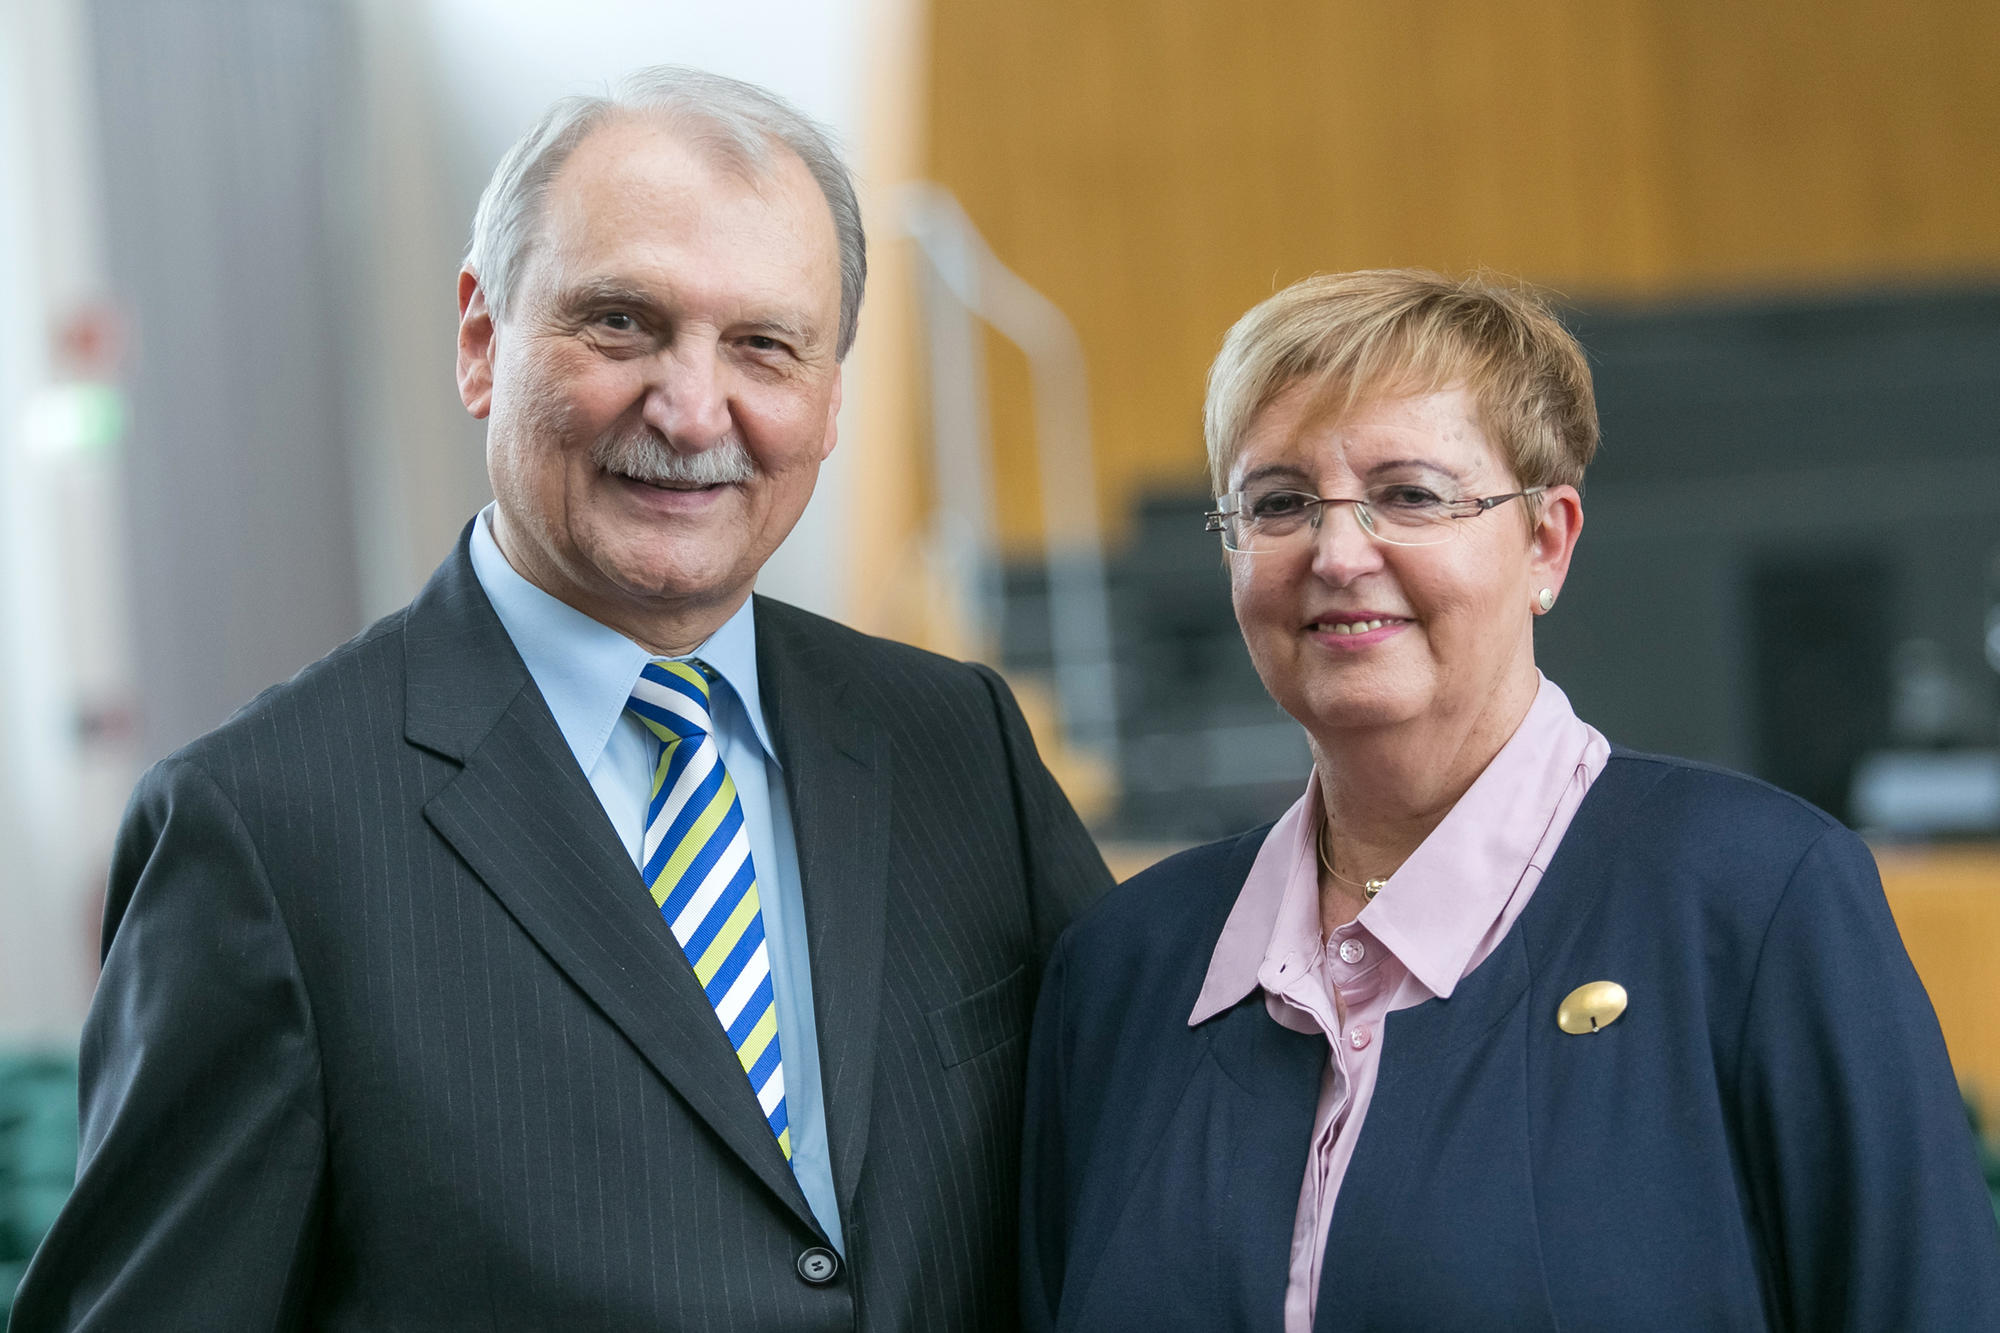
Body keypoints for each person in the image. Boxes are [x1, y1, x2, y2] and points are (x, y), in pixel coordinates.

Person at [14, 66, 1110, 1331]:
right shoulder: (262, 831)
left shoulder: (954, 740)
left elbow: (1141, 1158)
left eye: (764, 344)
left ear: (830, 392)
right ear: (482, 338)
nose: (694, 409)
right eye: (622, 324)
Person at [1020, 269, 2000, 1330]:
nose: (1337, 552)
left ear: (1545, 541)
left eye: (1408, 494)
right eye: (1278, 502)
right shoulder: (1120, 970)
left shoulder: (1756, 901)